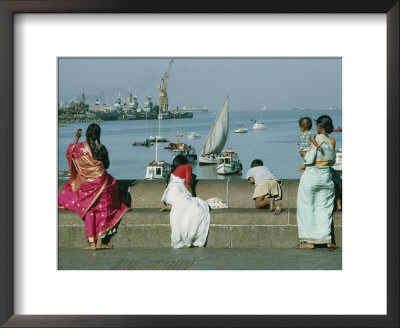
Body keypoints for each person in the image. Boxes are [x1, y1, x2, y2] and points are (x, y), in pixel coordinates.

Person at [58, 124, 130, 250]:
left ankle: (92, 243)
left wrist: (76, 137)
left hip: (86, 185)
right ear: (98, 135)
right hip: (102, 184)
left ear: (86, 134)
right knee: (104, 209)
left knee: (90, 210)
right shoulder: (100, 148)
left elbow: (71, 151)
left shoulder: (79, 148)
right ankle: (100, 242)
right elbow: (106, 165)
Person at [296, 115, 337, 249]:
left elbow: (308, 158)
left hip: (312, 176)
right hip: (326, 176)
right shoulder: (332, 141)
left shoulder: (316, 139)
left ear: (319, 126)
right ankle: (327, 239)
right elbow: (332, 160)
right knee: (324, 208)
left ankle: (308, 241)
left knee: (306, 207)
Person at [160, 155, 210, 249]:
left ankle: (172, 206)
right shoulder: (187, 167)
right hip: (178, 193)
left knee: (184, 210)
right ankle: (188, 238)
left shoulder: (173, 171)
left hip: (169, 195)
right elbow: (187, 183)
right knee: (198, 208)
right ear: (185, 161)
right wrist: (193, 196)